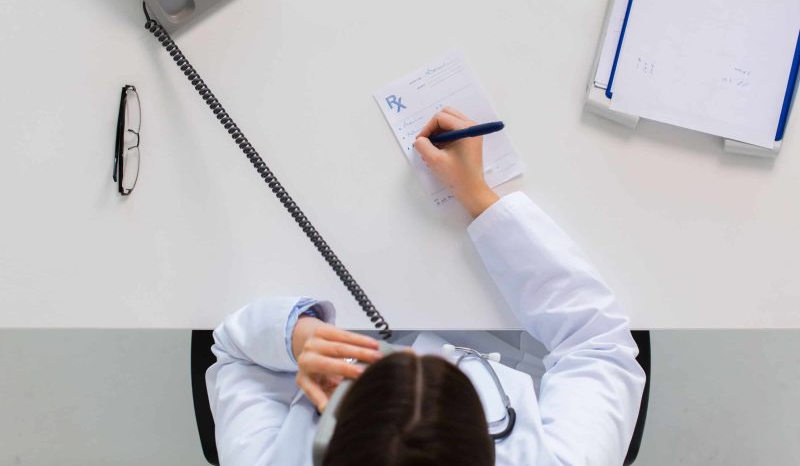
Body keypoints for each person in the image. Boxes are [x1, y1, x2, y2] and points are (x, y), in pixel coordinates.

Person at [206, 108, 646, 465]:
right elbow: (597, 342)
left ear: (325, 441)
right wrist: (478, 195)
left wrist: (294, 337)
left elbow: (233, 351)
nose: (416, 351)